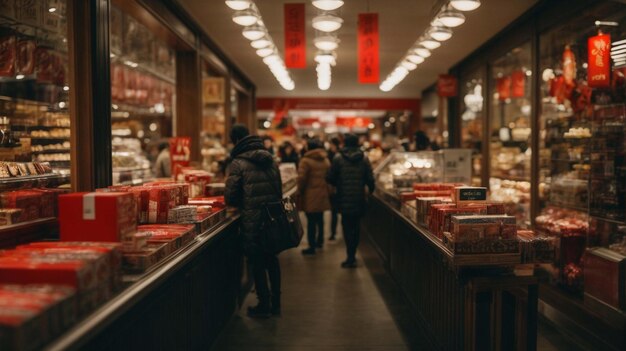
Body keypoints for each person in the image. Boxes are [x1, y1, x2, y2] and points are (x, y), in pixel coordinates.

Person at [224, 124, 283, 318]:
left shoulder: (238, 163)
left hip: (253, 220)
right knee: (272, 260)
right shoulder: (271, 159)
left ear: (235, 140)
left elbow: (231, 197)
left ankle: (263, 304)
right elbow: (279, 191)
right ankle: (276, 303)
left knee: (257, 262)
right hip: (272, 218)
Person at [326, 133, 375, 268]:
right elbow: (370, 178)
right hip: (359, 198)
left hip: (343, 198)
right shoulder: (364, 158)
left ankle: (350, 256)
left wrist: (337, 184)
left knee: (346, 227)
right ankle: (353, 254)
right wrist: (370, 191)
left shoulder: (338, 158)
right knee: (356, 227)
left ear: (345, 143)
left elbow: (329, 177)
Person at [298, 138, 331, 255]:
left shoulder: (305, 161)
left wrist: (299, 191)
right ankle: (320, 241)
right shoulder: (325, 159)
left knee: (311, 221)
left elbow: (301, 179)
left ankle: (311, 246)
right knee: (320, 219)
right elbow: (329, 176)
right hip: (322, 193)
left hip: (310, 194)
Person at [327, 137, 341, 240]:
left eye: (331, 144)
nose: (330, 146)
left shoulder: (339, 156)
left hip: (339, 186)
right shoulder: (329, 154)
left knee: (337, 211)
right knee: (334, 212)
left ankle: (336, 232)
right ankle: (333, 233)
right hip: (333, 187)